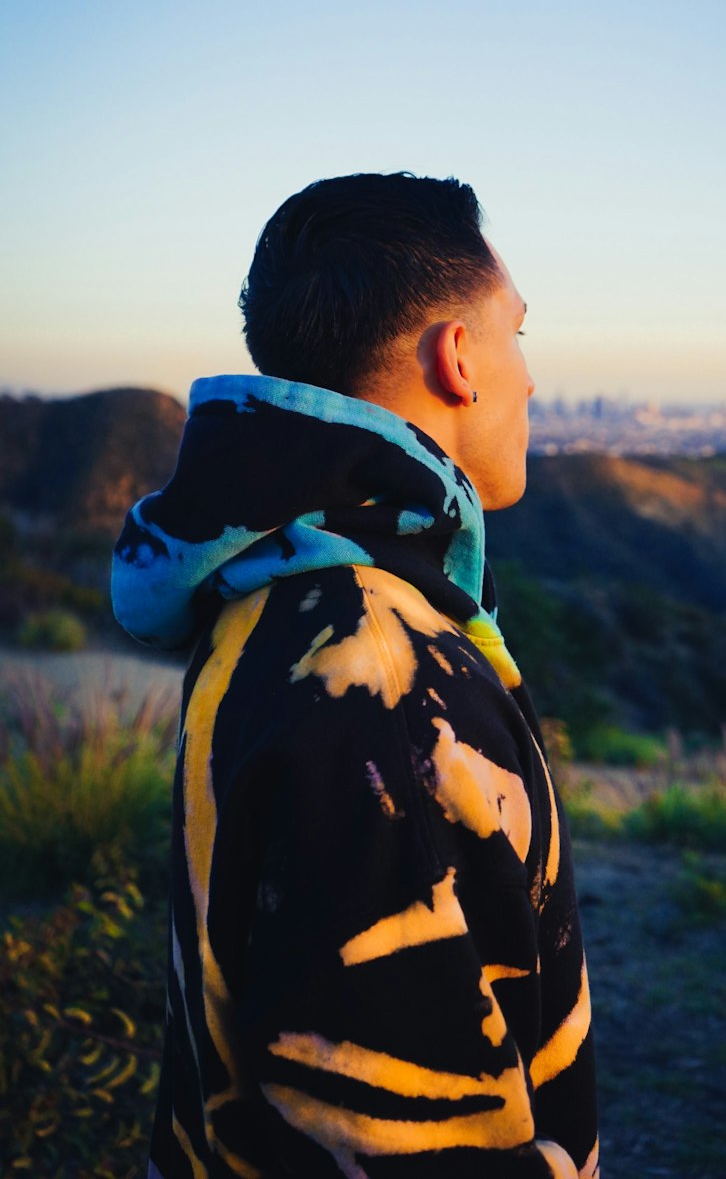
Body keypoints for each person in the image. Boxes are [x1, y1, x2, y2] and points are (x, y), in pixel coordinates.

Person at [112, 173, 599, 1179]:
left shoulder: (282, 597)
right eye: (518, 333)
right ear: (458, 356)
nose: (532, 379)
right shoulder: (375, 680)